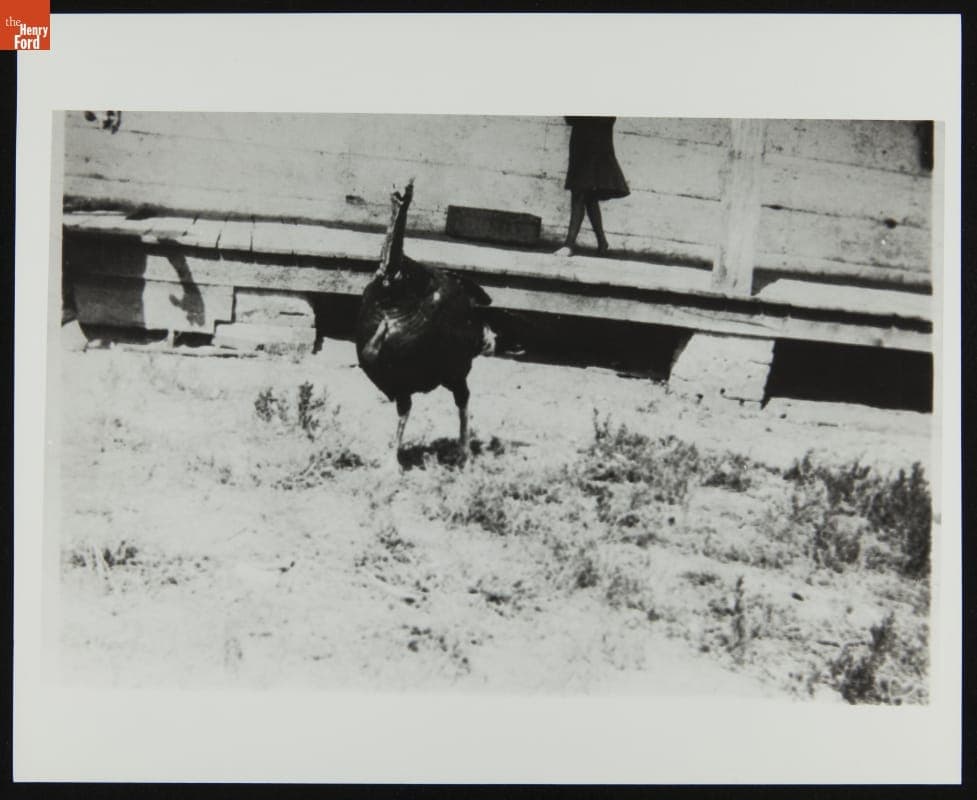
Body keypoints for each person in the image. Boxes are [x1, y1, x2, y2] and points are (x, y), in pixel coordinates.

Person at [555, 116, 630, 257]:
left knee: (580, 192)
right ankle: (602, 241)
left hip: (597, 144)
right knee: (587, 194)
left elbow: (608, 118)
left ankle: (569, 244)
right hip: (580, 142)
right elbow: (569, 118)